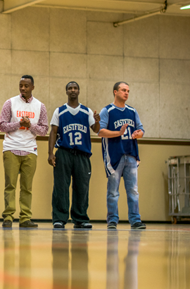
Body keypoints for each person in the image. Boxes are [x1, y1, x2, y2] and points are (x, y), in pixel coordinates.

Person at [48, 81, 100, 229]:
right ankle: (59, 218)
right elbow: (53, 132)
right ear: (66, 91)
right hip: (64, 152)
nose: (72, 90)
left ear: (78, 91)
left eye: (75, 88)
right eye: (70, 88)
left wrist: (97, 122)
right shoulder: (59, 111)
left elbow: (95, 130)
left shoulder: (87, 111)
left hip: (82, 155)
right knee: (60, 187)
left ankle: (80, 218)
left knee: (82, 187)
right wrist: (50, 153)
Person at [0, 75, 48, 228]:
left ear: (33, 87)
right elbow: (2, 125)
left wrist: (30, 125)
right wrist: (19, 123)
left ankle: (25, 218)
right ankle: (8, 217)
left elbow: (44, 130)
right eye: (21, 85)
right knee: (10, 185)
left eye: (26, 86)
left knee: (27, 187)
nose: (23, 88)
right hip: (11, 148)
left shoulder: (40, 106)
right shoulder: (10, 103)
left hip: (30, 150)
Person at [98, 81, 146, 230]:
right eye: (123, 90)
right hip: (114, 156)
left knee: (133, 190)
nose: (126, 93)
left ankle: (135, 220)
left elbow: (141, 130)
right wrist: (118, 133)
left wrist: (139, 134)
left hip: (131, 155)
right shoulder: (107, 110)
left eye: (128, 91)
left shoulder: (132, 111)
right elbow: (100, 131)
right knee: (113, 191)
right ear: (115, 92)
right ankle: (112, 220)